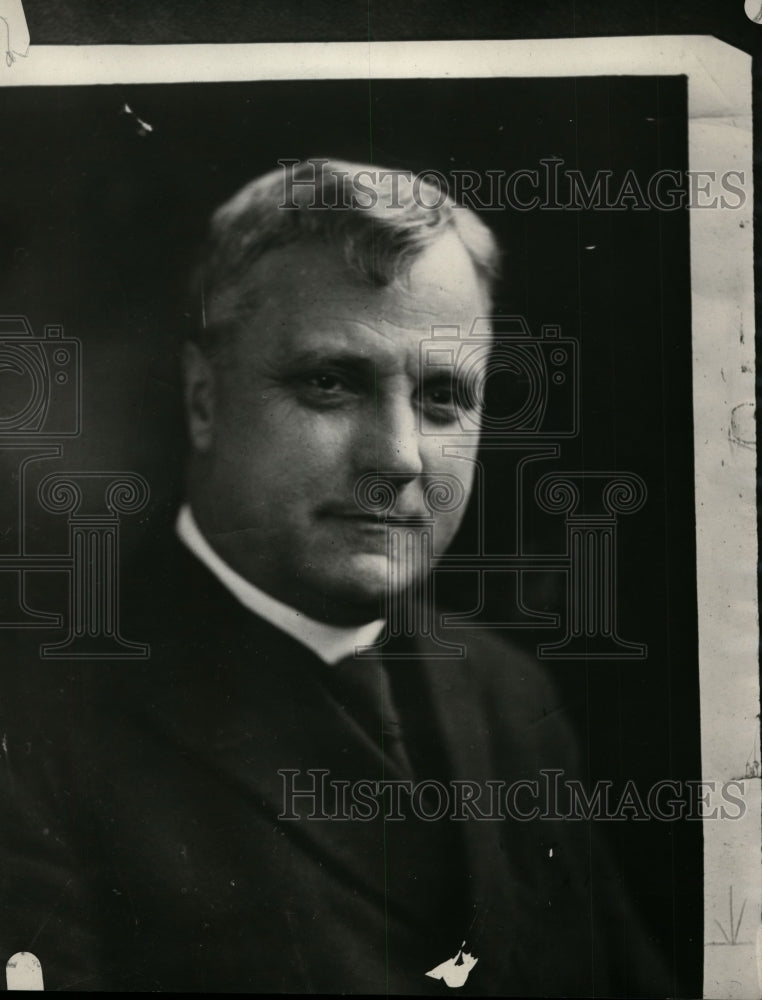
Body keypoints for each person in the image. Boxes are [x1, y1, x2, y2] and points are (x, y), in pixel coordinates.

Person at [0, 160, 676, 994]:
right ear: (203, 398)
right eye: (331, 383)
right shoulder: (35, 730)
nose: (396, 458)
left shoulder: (510, 700)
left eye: (443, 397)